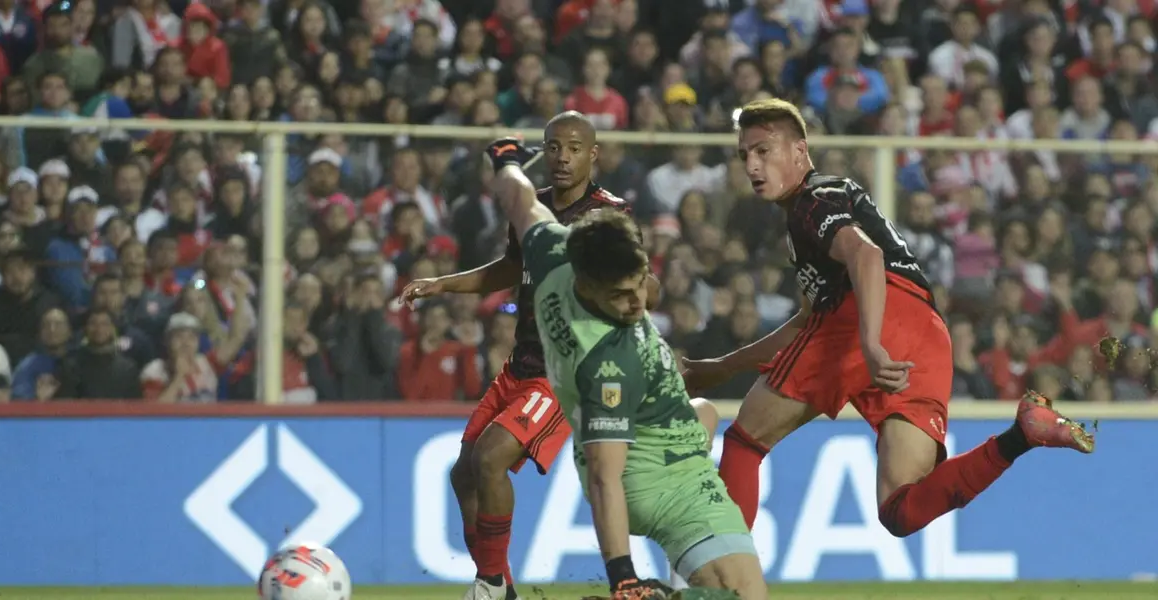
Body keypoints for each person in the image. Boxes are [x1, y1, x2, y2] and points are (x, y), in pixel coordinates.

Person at [681, 98, 1096, 543]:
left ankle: (722, 580)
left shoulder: (811, 201)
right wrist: (722, 367)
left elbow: (866, 255)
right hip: (924, 330)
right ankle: (1021, 435)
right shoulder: (823, 205)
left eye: (764, 150)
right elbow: (807, 321)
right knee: (900, 510)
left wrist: (872, 344)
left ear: (800, 151)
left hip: (870, 314)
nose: (753, 165)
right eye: (745, 154)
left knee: (745, 442)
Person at [480, 138, 768, 600]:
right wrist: (623, 577)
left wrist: (508, 160)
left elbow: (519, 199)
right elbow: (604, 476)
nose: (638, 303)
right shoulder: (609, 362)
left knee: (704, 411)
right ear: (588, 287)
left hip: (659, 443)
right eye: (622, 296)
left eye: (639, 284)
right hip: (661, 478)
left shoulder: (555, 252)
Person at [398, 111, 635, 600]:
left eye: (574, 147)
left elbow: (637, 279)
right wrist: (442, 284)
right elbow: (510, 267)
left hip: (564, 371)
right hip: (520, 365)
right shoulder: (533, 207)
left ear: (594, 155)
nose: (563, 157)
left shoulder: (610, 214)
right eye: (553, 147)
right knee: (462, 474)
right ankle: (501, 584)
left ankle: (486, 584)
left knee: (490, 460)